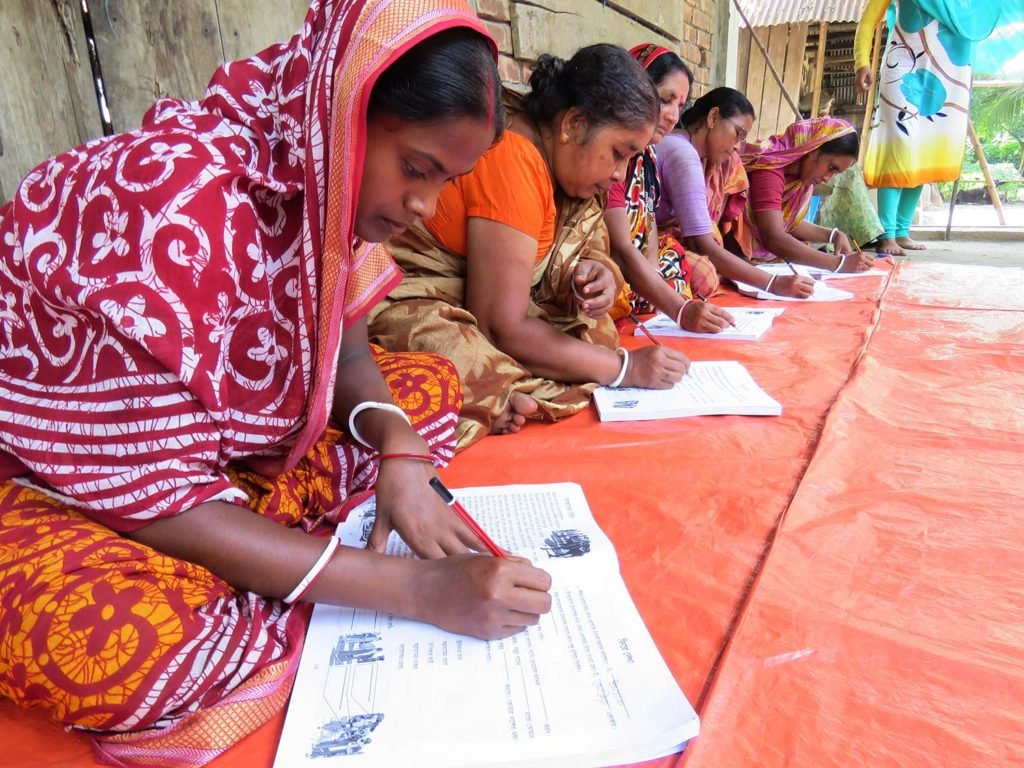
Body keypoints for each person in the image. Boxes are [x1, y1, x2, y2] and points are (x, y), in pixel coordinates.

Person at [0, 1, 552, 764]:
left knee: (424, 392)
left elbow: (350, 360)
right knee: (124, 649)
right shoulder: (176, 205)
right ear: (346, 108)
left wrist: (395, 448)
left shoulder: (321, 185)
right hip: (68, 483)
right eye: (417, 170)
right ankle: (287, 559)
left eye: (446, 183)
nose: (424, 209)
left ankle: (277, 555)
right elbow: (158, 496)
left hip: (219, 460)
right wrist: (420, 594)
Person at [369, 45, 690, 449]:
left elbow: (580, 245)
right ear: (573, 124)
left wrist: (595, 272)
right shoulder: (515, 159)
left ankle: (501, 391)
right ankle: (493, 395)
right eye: (618, 154)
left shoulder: (556, 166)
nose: (618, 175)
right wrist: (625, 369)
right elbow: (501, 324)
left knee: (591, 330)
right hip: (413, 298)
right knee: (445, 361)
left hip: (486, 308)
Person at [854, 0, 1010, 255]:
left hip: (949, 74)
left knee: (924, 150)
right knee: (898, 148)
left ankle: (902, 231)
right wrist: (861, 62)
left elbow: (979, 16)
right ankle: (886, 234)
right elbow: (868, 21)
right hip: (902, 66)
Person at [605, 45, 737, 330]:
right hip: (610, 261)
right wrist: (681, 311)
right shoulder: (611, 153)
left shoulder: (648, 155)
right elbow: (620, 249)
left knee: (687, 275)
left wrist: (651, 268)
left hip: (634, 260)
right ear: (634, 91)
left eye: (680, 106)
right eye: (666, 100)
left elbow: (648, 223)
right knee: (607, 287)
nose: (673, 116)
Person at [659, 87, 815, 299]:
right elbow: (702, 244)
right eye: (738, 134)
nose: (738, 147)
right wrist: (773, 283)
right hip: (647, 244)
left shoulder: (701, 157)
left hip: (664, 241)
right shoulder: (683, 153)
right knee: (704, 276)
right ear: (713, 117)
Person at [733, 118, 876, 273]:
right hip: (729, 250)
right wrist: (838, 263)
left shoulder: (799, 180)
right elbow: (773, 237)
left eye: (835, 172)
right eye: (831, 167)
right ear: (813, 150)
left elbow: (786, 221)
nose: (828, 178)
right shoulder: (769, 169)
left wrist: (834, 235)